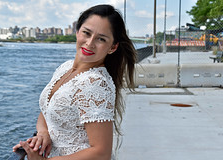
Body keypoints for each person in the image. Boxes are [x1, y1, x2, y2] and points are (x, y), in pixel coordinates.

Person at [13, 4, 136, 160]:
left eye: (101, 39)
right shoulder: (65, 68)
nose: (90, 43)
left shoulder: (95, 83)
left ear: (112, 47)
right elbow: (47, 110)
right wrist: (43, 134)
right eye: (86, 33)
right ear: (77, 32)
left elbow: (101, 153)